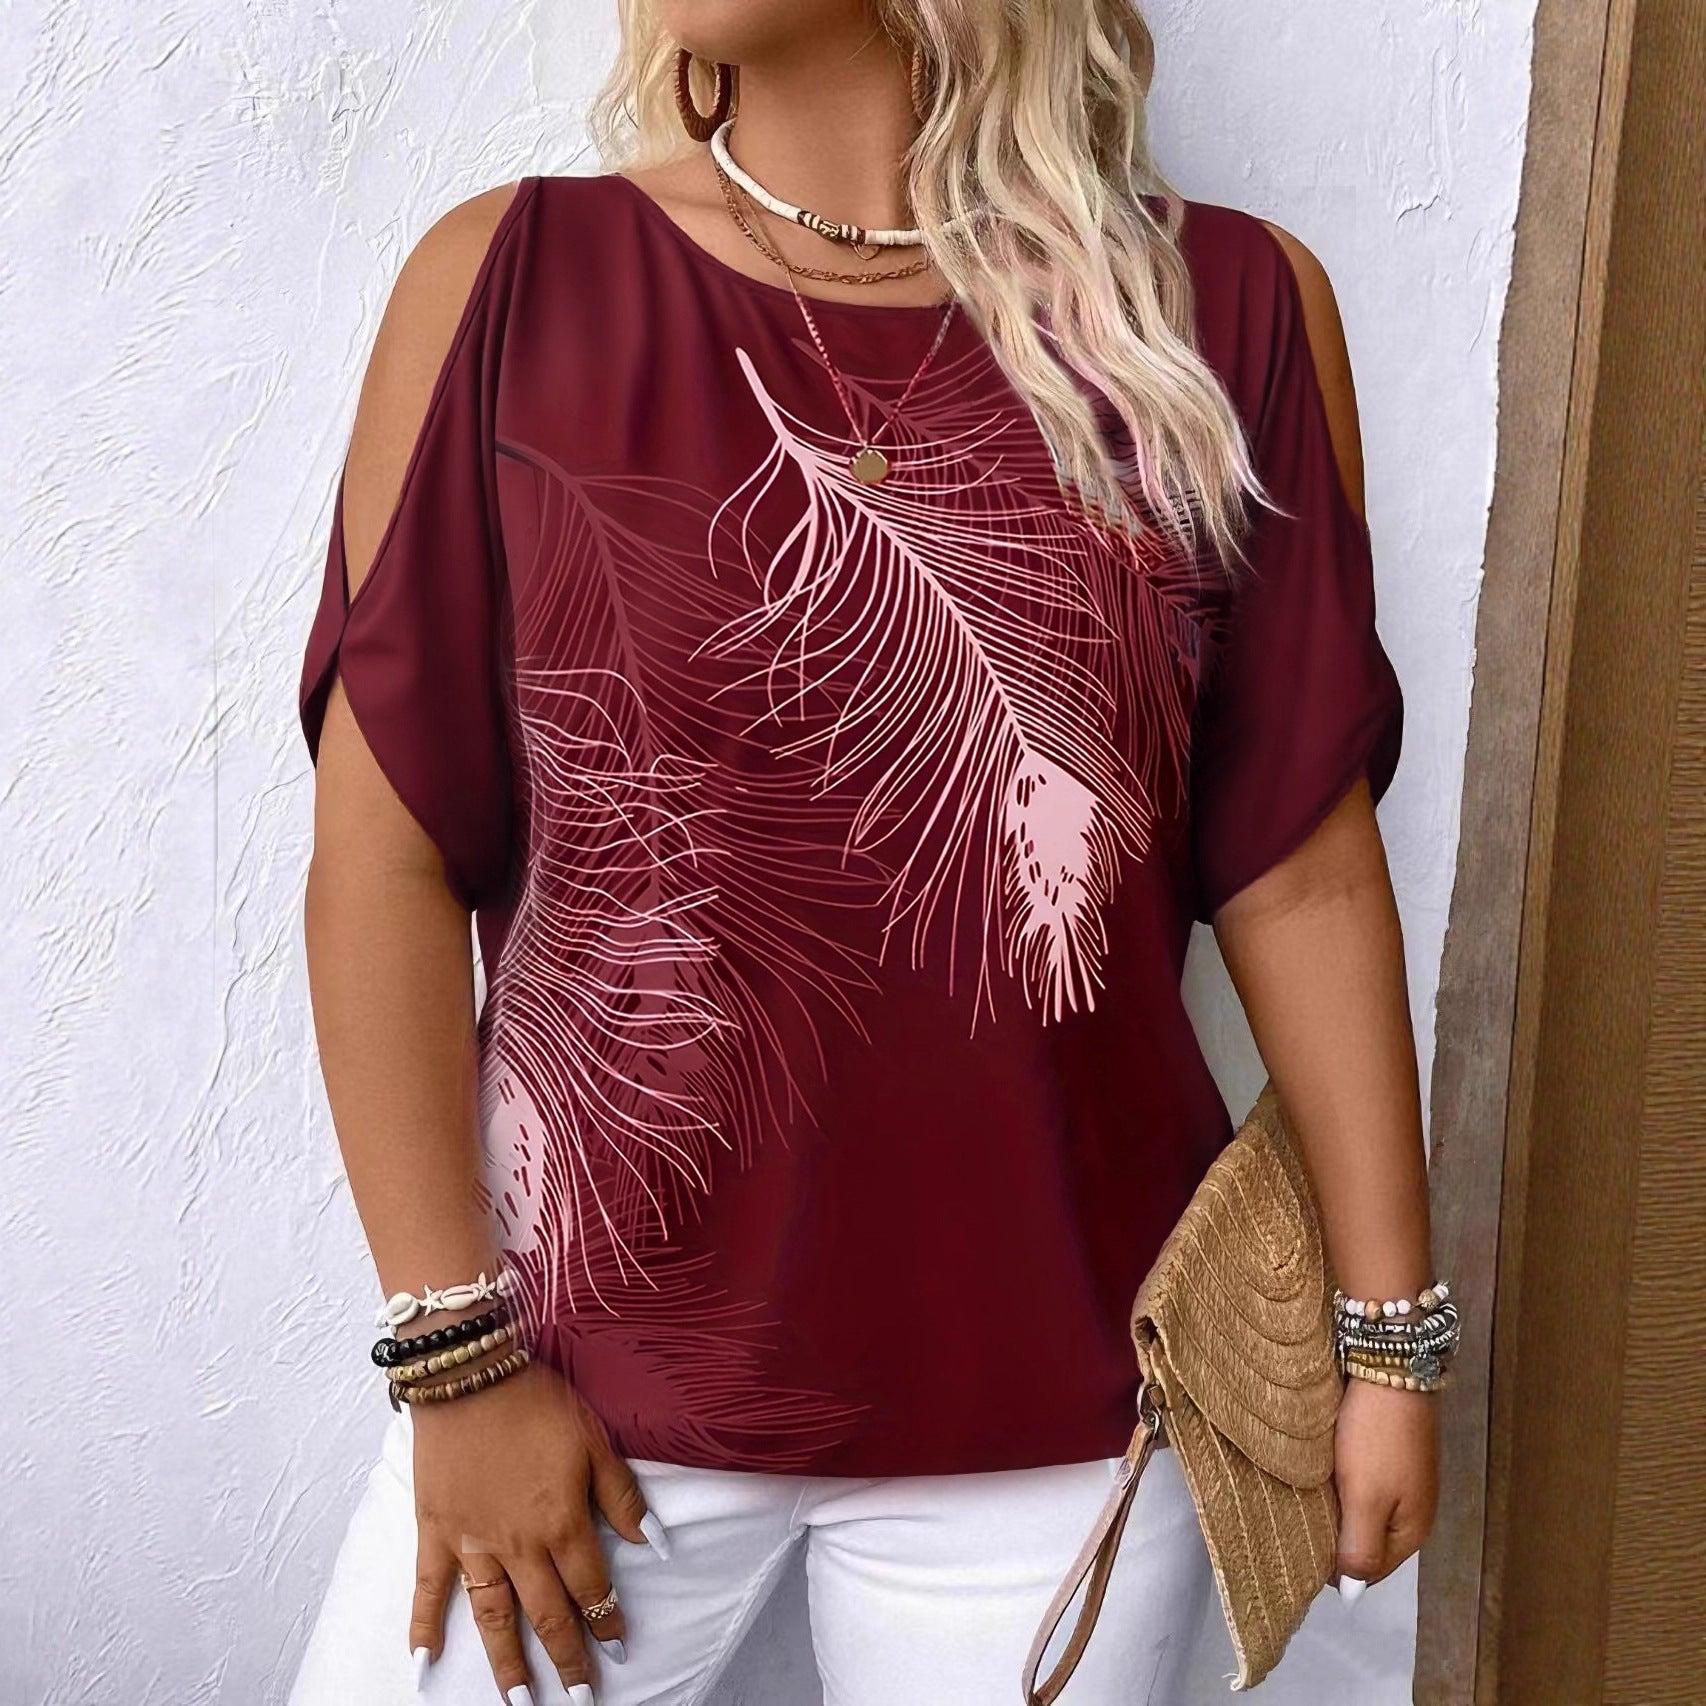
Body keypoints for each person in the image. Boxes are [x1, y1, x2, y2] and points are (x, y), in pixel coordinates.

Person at [289, 3, 1439, 1702]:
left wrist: (1390, 1338)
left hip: (1064, 1413)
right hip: (577, 1391)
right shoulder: (511, 285)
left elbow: (1298, 864)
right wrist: (455, 1362)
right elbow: (382, 861)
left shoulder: (1224, 310)